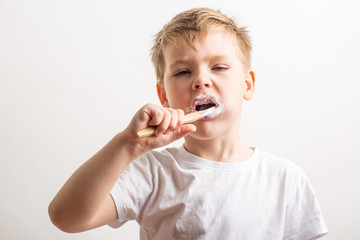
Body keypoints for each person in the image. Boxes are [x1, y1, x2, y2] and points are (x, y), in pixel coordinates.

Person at [48, 7, 328, 239]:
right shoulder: (153, 173)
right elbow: (66, 218)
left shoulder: (284, 179)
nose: (200, 80)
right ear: (164, 97)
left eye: (218, 67)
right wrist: (127, 144)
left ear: (247, 84)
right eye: (183, 71)